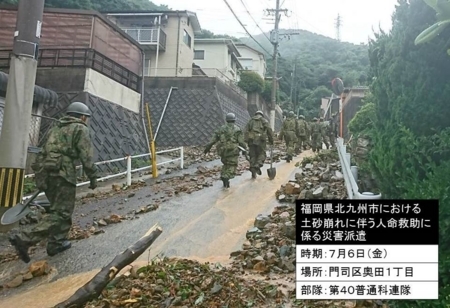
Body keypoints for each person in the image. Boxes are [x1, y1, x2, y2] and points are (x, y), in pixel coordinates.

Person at [9, 102, 98, 263]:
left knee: (60, 209)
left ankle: (56, 243)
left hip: (46, 172)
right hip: (63, 173)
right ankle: (24, 238)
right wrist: (93, 176)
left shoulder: (55, 128)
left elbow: (44, 151)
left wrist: (40, 177)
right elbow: (86, 155)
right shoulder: (80, 129)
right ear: (83, 117)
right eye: (86, 118)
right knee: (61, 213)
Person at [204, 113, 247, 188]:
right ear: (234, 120)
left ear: (226, 120)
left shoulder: (220, 129)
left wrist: (207, 148)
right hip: (233, 151)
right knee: (232, 165)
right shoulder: (237, 129)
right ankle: (226, 177)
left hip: (223, 151)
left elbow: (212, 141)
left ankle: (224, 181)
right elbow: (241, 142)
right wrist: (245, 149)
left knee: (226, 164)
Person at [244, 110, 274, 179]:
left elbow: (245, 131)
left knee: (252, 155)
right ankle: (257, 165)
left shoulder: (250, 121)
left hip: (251, 140)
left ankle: (252, 168)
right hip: (260, 140)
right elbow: (269, 130)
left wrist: (245, 141)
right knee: (262, 154)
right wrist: (271, 141)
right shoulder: (264, 121)